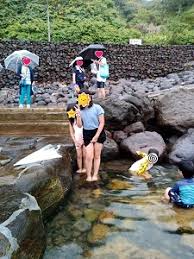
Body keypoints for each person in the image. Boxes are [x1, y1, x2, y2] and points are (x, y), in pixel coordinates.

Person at [75, 89, 106, 182]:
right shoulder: (80, 109)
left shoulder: (97, 108)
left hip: (98, 132)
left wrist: (96, 136)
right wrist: (78, 116)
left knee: (97, 155)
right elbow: (80, 125)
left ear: (89, 97)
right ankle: (88, 175)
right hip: (87, 132)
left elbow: (102, 123)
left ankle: (95, 174)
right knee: (89, 156)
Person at [66, 103, 86, 174]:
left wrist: (78, 115)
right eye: (70, 111)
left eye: (73, 111)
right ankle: (80, 168)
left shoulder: (81, 118)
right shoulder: (70, 121)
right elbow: (71, 133)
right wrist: (75, 141)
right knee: (79, 155)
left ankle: (85, 168)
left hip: (85, 138)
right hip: (77, 140)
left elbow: (79, 125)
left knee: (84, 155)